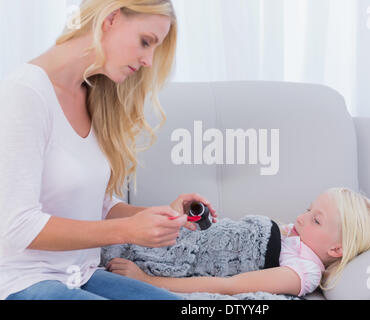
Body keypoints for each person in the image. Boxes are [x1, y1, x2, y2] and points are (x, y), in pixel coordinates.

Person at [0, 0, 216, 300]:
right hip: (24, 284)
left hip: (83, 276)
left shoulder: (94, 95)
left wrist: (162, 216)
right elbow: (17, 226)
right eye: (145, 42)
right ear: (111, 18)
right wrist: (128, 230)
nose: (148, 61)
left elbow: (97, 205)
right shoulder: (25, 93)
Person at [105, 187, 370, 297]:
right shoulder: (295, 236)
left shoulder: (302, 271)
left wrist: (146, 281)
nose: (301, 217)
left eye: (316, 220)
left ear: (336, 249)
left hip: (170, 268)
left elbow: (229, 285)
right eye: (309, 209)